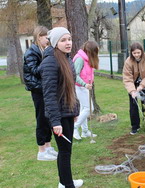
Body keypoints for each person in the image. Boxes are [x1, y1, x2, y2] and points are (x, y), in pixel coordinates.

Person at [40, 27, 83, 188]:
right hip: (59, 116)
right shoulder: (50, 62)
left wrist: (75, 111)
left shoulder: (66, 58)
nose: (68, 43)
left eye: (69, 39)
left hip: (67, 112)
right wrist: (55, 122)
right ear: (55, 43)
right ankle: (67, 184)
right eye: (63, 40)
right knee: (64, 152)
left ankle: (64, 182)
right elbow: (49, 96)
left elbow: (70, 89)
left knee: (67, 150)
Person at [23, 26, 57, 161]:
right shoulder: (31, 52)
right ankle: (41, 150)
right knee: (41, 119)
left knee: (48, 118)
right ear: (39, 37)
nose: (48, 40)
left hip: (45, 89)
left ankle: (48, 146)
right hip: (38, 90)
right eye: (46, 38)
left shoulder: (42, 50)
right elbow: (36, 71)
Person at [123, 42, 145, 135]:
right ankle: (135, 127)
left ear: (142, 51)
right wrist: (132, 91)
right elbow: (127, 77)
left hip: (143, 85)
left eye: (138, 52)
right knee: (133, 106)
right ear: (131, 53)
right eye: (134, 53)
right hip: (132, 85)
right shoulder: (128, 61)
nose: (136, 55)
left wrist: (142, 86)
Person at [72, 41, 99, 140]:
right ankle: (75, 127)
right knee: (89, 108)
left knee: (84, 109)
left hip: (84, 87)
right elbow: (75, 75)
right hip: (79, 87)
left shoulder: (86, 59)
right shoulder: (80, 59)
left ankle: (85, 131)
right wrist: (85, 84)